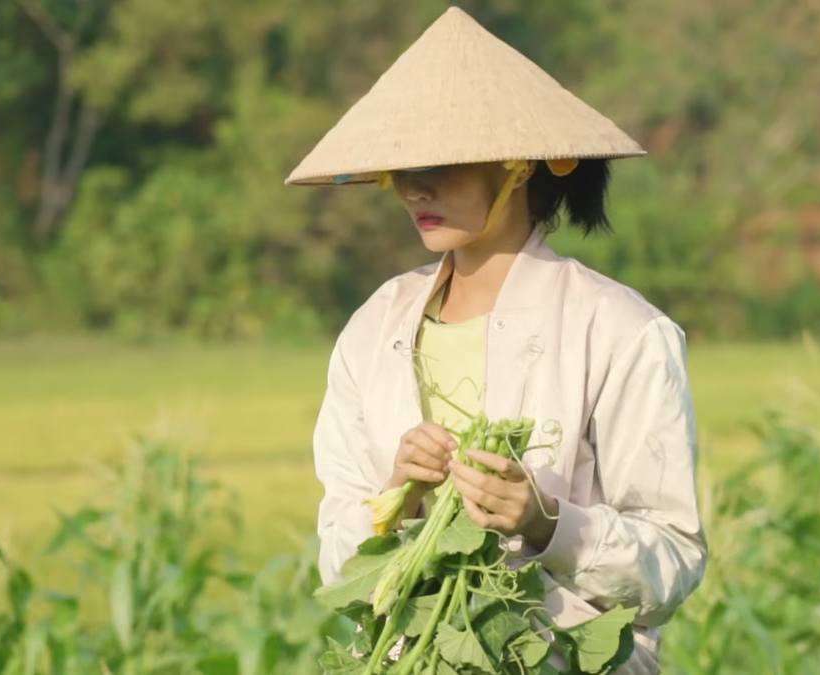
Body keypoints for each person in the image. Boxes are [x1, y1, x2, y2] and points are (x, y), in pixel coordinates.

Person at [287, 7, 707, 673]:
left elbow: (673, 562)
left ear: (517, 165)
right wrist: (396, 497)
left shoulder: (620, 329)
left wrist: (546, 522)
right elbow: (338, 563)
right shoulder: (375, 327)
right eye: (400, 168)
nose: (414, 188)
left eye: (442, 166)